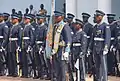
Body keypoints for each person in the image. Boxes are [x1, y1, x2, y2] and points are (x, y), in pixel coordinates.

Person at [88, 10, 111, 81]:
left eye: (96, 17)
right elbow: (92, 39)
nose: (95, 18)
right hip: (95, 49)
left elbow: (107, 38)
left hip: (101, 48)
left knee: (103, 66)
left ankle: (104, 79)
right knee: (97, 65)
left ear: (100, 17)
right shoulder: (95, 27)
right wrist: (89, 48)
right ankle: (98, 78)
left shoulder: (105, 26)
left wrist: (106, 48)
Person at [51, 11, 72, 81]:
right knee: (57, 70)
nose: (56, 18)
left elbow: (68, 39)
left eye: (57, 17)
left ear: (62, 17)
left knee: (63, 70)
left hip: (62, 50)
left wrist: (67, 51)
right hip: (56, 50)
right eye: (55, 17)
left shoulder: (65, 26)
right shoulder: (55, 26)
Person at [33, 14, 48, 79]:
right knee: (37, 61)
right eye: (37, 19)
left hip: (41, 46)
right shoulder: (37, 27)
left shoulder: (45, 28)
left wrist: (42, 46)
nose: (38, 20)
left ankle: (43, 74)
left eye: (39, 19)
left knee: (42, 61)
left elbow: (45, 38)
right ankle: (39, 74)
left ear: (42, 19)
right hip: (36, 46)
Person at [21, 14, 35, 78]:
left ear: (29, 20)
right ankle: (25, 73)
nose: (24, 20)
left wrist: (30, 45)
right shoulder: (25, 26)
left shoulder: (30, 27)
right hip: (24, 44)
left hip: (27, 44)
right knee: (24, 60)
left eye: (26, 19)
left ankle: (29, 73)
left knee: (29, 60)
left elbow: (32, 37)